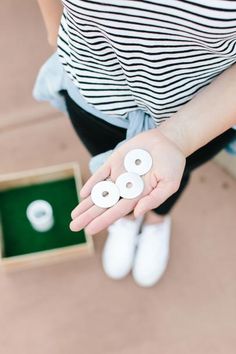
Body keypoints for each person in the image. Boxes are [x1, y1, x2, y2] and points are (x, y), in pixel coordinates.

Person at [37, 0, 236, 287]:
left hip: (205, 114)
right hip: (95, 97)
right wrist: (54, 31)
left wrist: (177, 137)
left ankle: (156, 219)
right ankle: (126, 219)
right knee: (110, 168)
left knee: (171, 177)